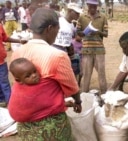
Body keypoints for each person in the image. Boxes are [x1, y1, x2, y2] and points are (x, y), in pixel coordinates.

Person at [8, 8, 82, 141]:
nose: (56, 34)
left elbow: (26, 90)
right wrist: (78, 101)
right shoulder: (57, 56)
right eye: (57, 30)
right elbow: (72, 88)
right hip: (50, 126)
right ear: (50, 28)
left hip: (25, 128)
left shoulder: (17, 54)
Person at [77, 0, 108, 94]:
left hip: (99, 50)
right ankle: (84, 95)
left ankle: (104, 94)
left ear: (97, 6)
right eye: (91, 6)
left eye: (94, 6)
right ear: (87, 5)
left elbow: (106, 34)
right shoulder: (82, 17)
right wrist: (83, 33)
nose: (93, 8)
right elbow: (78, 32)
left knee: (102, 75)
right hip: (86, 50)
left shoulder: (103, 17)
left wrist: (98, 32)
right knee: (86, 75)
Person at [0, 23, 27, 107]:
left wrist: (19, 41)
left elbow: (5, 38)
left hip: (1, 62)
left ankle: (11, 104)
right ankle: (3, 100)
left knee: (4, 83)